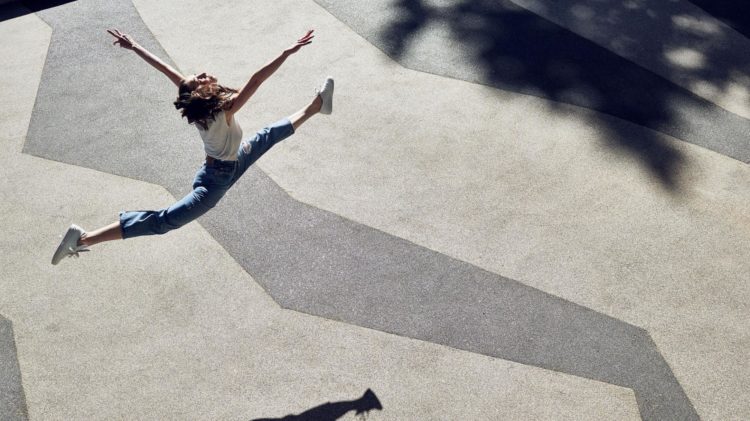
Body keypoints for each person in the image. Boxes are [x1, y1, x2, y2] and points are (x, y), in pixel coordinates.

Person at [51, 28, 333, 265]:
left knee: (268, 135)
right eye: (198, 79)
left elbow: (169, 73)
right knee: (164, 222)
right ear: (200, 92)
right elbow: (256, 79)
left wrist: (135, 46)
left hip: (221, 168)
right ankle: (83, 237)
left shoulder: (201, 106)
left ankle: (317, 105)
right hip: (215, 182)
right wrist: (287, 52)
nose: (200, 74)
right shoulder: (223, 110)